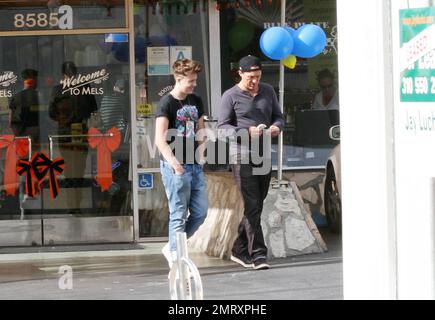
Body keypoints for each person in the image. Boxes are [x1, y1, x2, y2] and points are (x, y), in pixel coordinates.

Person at [217, 55, 284, 270]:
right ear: (240, 73)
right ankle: (258, 255)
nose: (254, 81)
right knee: (252, 205)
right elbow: (222, 128)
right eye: (250, 77)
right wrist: (246, 131)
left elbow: (279, 116)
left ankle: (239, 247)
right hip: (241, 155)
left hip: (264, 154)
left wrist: (276, 127)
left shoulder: (268, 91)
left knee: (257, 205)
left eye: (258, 76)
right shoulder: (230, 96)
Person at [155, 58, 208, 268]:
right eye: (191, 80)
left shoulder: (196, 100)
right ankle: (176, 259)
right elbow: (159, 139)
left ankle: (173, 246)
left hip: (195, 164)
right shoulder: (166, 103)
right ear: (178, 78)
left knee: (201, 212)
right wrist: (176, 165)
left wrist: (202, 155)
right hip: (175, 166)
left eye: (195, 80)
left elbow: (201, 129)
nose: (194, 84)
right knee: (178, 213)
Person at [49, 61, 97, 214]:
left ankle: (73, 205)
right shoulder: (85, 88)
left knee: (70, 167)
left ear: (63, 75)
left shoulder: (58, 90)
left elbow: (51, 112)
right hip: (80, 130)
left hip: (65, 132)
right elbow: (93, 109)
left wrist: (62, 119)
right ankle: (76, 204)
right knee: (79, 167)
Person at [9, 69, 41, 143]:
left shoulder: (16, 97)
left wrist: (17, 136)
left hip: (21, 136)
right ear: (32, 81)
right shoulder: (39, 96)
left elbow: (11, 121)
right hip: (36, 134)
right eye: (36, 80)